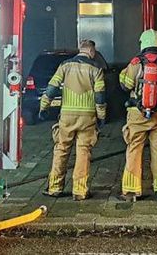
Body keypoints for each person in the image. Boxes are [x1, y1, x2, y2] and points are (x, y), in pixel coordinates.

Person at [39, 39, 107, 200]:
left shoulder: (65, 65)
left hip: (67, 116)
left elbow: (52, 87)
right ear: (91, 51)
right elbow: (100, 95)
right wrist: (101, 115)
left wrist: (44, 107)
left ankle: (55, 187)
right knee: (83, 152)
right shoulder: (95, 68)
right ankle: (80, 190)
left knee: (61, 149)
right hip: (87, 117)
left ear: (80, 49)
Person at [118, 29, 157, 202]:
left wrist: (124, 74)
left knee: (134, 148)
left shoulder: (136, 63)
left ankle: (130, 191)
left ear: (143, 43)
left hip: (137, 113)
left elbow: (126, 85)